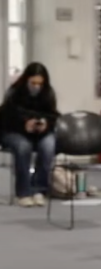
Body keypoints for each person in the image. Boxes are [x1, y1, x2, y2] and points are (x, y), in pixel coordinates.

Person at [0, 63, 59, 207]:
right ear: (26, 80)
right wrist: (24, 124)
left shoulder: (48, 93)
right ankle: (24, 192)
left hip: (39, 133)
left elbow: (53, 115)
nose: (36, 86)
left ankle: (39, 190)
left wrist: (45, 124)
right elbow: (6, 118)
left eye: (40, 83)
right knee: (23, 147)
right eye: (33, 83)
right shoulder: (14, 92)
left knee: (48, 146)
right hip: (13, 132)